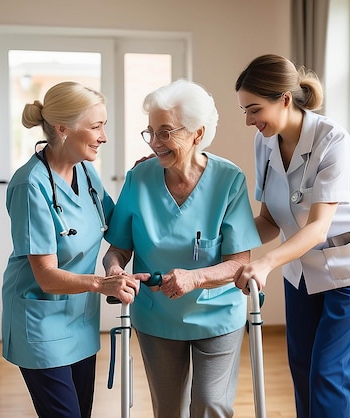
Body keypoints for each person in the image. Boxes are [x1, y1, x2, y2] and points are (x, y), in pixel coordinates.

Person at [233, 54, 350, 418]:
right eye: (245, 111)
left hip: (349, 264)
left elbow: (318, 226)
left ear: (284, 98)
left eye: (255, 110)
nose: (249, 121)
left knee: (329, 372)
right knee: (302, 367)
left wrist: (266, 262)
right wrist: (224, 241)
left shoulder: (333, 140)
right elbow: (270, 220)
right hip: (300, 266)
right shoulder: (264, 143)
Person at [102, 79, 261, 418]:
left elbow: (238, 262)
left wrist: (195, 278)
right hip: (156, 314)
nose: (155, 143)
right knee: (169, 410)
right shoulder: (139, 178)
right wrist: (114, 272)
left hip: (217, 313)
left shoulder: (229, 180)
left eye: (165, 132)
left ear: (197, 134)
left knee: (210, 405)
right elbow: (117, 250)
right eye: (150, 132)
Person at [1, 81, 145, 418]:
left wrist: (142, 177)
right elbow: (47, 277)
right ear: (63, 128)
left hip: (80, 320)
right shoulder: (30, 185)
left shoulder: (85, 170)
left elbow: (119, 222)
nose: (104, 136)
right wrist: (101, 284)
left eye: (104, 126)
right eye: (96, 126)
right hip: (40, 321)